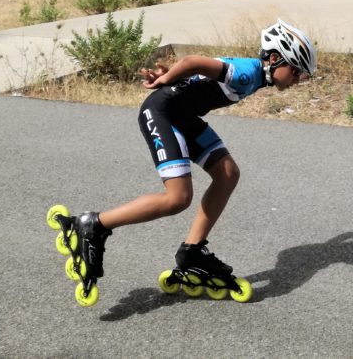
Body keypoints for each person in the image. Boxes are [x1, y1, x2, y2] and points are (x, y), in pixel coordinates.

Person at [57, 18, 316, 304]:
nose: (296, 80)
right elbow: (193, 61)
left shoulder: (256, 75)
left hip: (183, 115)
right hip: (163, 113)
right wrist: (167, 80)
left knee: (227, 173)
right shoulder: (246, 73)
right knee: (178, 198)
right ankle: (92, 225)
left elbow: (200, 74)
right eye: (295, 71)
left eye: (301, 76)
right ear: (276, 58)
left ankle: (192, 250)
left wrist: (179, 78)